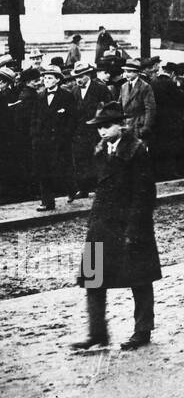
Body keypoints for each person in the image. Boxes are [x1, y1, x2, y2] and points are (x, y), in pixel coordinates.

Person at [70, 102, 160, 352]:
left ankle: (143, 330)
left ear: (122, 125)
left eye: (107, 126)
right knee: (92, 277)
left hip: (129, 223)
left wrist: (136, 227)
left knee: (139, 278)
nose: (102, 131)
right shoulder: (99, 151)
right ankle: (97, 333)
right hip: (100, 222)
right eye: (99, 127)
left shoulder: (137, 150)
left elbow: (144, 193)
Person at [31, 65, 75, 211]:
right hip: (43, 141)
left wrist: (65, 136)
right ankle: (47, 202)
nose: (46, 81)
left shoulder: (66, 96)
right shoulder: (40, 96)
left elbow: (71, 119)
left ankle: (71, 189)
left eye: (50, 78)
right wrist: (35, 136)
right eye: (44, 78)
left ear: (57, 80)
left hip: (60, 141)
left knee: (63, 169)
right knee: (43, 170)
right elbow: (35, 118)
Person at [69, 61, 112, 200]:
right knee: (80, 161)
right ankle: (83, 189)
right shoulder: (74, 91)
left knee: (98, 160)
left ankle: (100, 188)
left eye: (81, 76)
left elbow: (109, 109)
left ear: (88, 75)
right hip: (79, 133)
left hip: (96, 131)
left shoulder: (100, 89)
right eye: (76, 77)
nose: (78, 80)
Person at [118, 58, 156, 143]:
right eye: (125, 71)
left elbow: (150, 109)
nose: (126, 74)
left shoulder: (145, 87)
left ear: (137, 73)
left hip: (138, 125)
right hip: (125, 126)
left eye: (129, 72)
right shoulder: (123, 86)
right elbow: (119, 106)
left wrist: (146, 127)